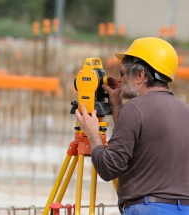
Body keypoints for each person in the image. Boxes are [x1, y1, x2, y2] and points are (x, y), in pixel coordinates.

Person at [75, 37, 189, 215]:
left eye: (123, 73)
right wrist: (116, 106)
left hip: (148, 209)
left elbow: (108, 168)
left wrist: (93, 134)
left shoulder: (134, 109)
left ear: (140, 76)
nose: (119, 80)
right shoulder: (185, 111)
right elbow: (142, 141)